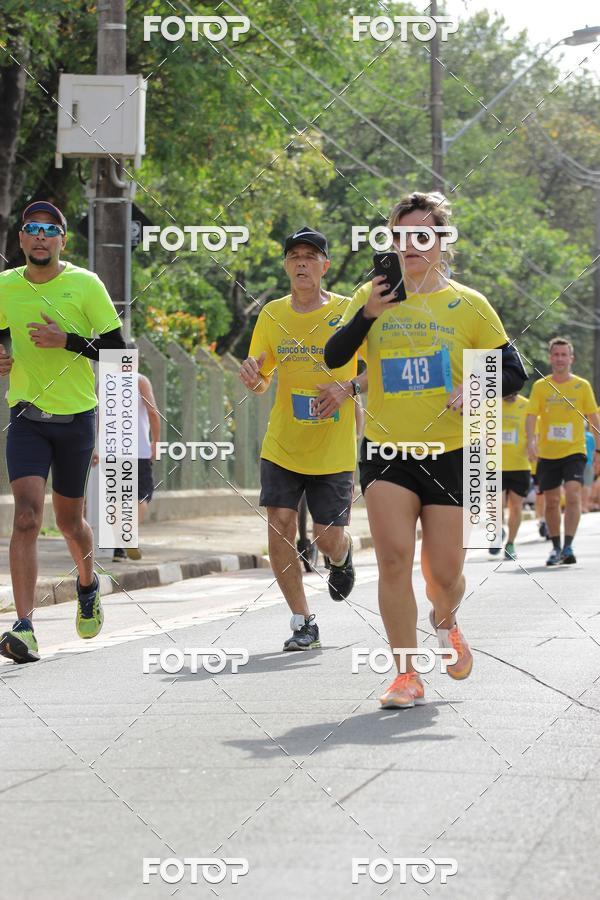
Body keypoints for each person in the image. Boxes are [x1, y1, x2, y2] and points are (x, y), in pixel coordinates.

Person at [324, 191, 527, 708]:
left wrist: (475, 387)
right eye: (400, 236)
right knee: (393, 559)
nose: (410, 245)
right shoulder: (370, 296)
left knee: (445, 575)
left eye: (422, 235)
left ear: (441, 243)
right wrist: (367, 314)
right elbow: (334, 357)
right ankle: (405, 675)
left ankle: (446, 619)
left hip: (454, 453)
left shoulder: (469, 304)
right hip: (389, 451)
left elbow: (514, 373)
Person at [0, 201, 125, 663]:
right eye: (31, 229)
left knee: (70, 523)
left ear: (62, 241)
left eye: (49, 231)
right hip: (27, 416)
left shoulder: (85, 285)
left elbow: (119, 354)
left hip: (76, 420)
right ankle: (24, 626)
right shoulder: (5, 286)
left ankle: (88, 584)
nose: (39, 237)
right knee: (27, 517)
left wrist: (66, 341)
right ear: (21, 240)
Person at [239, 226, 366, 651]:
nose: (301, 263)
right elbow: (262, 378)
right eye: (294, 256)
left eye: (310, 256)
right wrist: (254, 378)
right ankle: (302, 621)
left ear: (325, 266)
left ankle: (341, 556)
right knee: (279, 526)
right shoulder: (272, 314)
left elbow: (377, 368)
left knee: (327, 536)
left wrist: (347, 388)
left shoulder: (351, 311)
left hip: (333, 448)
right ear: (286, 266)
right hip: (283, 443)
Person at [526, 337, 600, 566]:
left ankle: (568, 545)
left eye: (563, 355)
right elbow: (531, 416)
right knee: (551, 501)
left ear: (571, 358)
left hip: (574, 450)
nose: (560, 359)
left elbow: (593, 418)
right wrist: (531, 441)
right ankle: (556, 547)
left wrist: (598, 449)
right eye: (556, 355)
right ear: (551, 358)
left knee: (573, 493)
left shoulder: (582, 386)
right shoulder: (540, 386)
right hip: (548, 453)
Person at [110, 359, 161, 561]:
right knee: (141, 496)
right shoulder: (140, 381)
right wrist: (156, 442)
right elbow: (152, 412)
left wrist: (96, 448)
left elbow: (98, 415)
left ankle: (117, 549)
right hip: (137, 450)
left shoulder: (105, 382)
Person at [490, 392, 531, 560]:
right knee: (496, 503)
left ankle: (510, 543)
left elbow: (534, 432)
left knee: (516, 506)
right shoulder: (491, 404)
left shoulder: (527, 405)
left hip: (520, 465)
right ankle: (498, 531)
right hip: (495, 465)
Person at [582, 423, 596, 513]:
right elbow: (594, 450)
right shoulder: (590, 437)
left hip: (577, 462)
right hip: (589, 462)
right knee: (587, 485)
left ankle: (579, 505)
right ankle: (585, 506)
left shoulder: (577, 436)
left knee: (578, 485)